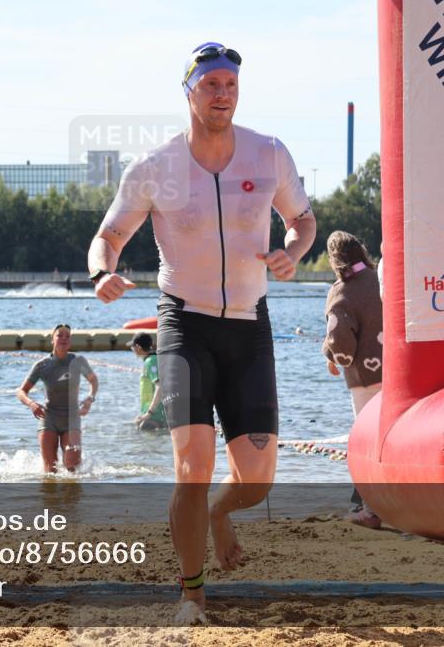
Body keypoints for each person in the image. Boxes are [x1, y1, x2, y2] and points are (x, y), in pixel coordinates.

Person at [87, 42, 316, 624]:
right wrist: (102, 272)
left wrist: (293, 251)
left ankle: (220, 514)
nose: (223, 92)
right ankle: (191, 592)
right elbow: (108, 236)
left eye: (231, 83)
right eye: (211, 83)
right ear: (188, 91)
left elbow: (303, 219)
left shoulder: (268, 154)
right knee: (192, 463)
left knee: (258, 482)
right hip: (184, 323)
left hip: (248, 327)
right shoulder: (155, 167)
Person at [321, 231, 383, 529]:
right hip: (395, 370)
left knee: (365, 440)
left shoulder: (341, 291)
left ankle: (369, 508)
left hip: (365, 377)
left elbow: (339, 338)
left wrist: (334, 358)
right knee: (389, 438)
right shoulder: (381, 279)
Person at [16, 324, 98, 473]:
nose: (64, 338)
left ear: (71, 342)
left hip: (72, 417)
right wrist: (32, 404)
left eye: (67, 336)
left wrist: (89, 399)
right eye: (60, 335)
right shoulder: (42, 365)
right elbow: (21, 391)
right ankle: (50, 495)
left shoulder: (78, 361)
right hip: (49, 417)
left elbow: (93, 380)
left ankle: (71, 495)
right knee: (50, 470)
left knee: (73, 466)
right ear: (52, 339)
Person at [129, 332, 167, 431]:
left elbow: (160, 387)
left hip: (156, 415)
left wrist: (149, 413)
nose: (132, 350)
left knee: (145, 432)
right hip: (154, 414)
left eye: (132, 347)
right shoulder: (152, 359)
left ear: (138, 347)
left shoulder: (151, 361)